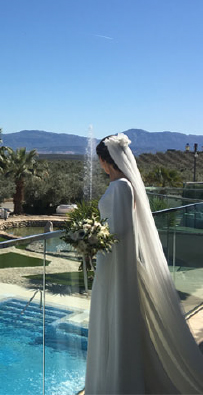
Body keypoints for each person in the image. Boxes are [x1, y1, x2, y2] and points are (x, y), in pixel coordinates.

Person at [85, 133, 203, 394]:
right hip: (116, 262)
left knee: (114, 316)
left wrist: (91, 237)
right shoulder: (126, 186)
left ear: (107, 160)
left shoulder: (120, 187)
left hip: (114, 263)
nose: (101, 166)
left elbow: (120, 230)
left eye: (101, 161)